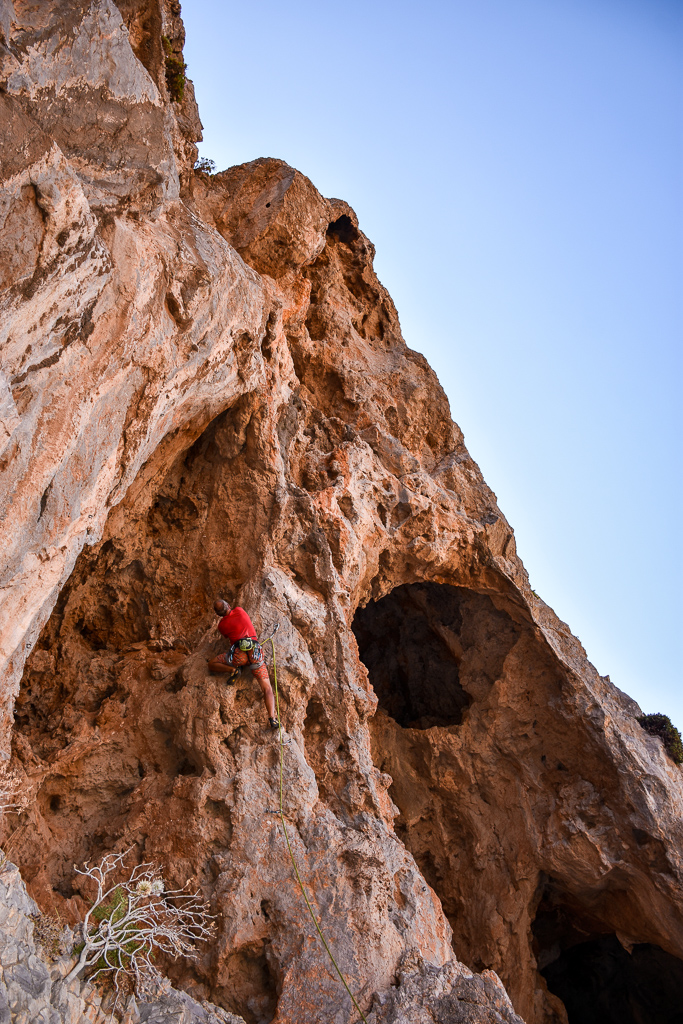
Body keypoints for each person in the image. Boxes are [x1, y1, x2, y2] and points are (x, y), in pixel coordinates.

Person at [208, 598, 279, 730]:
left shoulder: (221, 626)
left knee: (212, 663)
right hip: (255, 653)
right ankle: (272, 719)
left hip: (239, 656)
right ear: (228, 605)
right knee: (267, 688)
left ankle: (232, 670)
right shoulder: (240, 611)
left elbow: (227, 636)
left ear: (218, 615)